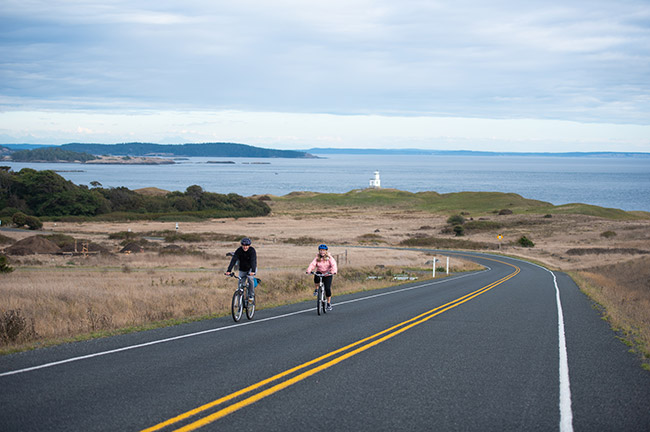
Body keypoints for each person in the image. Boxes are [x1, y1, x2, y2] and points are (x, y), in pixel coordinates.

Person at [306, 244, 338, 311]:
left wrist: (333, 271)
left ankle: (328, 303)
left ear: (326, 251)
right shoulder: (317, 258)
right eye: (321, 250)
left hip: (328, 274)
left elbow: (333, 264)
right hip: (320, 272)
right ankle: (317, 289)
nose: (322, 252)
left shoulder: (329, 258)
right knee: (316, 275)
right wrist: (309, 270)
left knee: (327, 289)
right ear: (319, 251)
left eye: (323, 250)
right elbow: (312, 264)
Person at [226, 237, 257, 303]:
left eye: (246, 245)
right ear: (241, 245)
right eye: (243, 245)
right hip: (242, 269)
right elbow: (233, 260)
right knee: (240, 283)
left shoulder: (252, 251)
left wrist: (253, 271)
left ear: (249, 245)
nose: (245, 247)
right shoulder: (239, 250)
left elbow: (253, 261)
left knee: (250, 279)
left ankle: (251, 296)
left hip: (251, 268)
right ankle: (240, 299)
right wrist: (229, 270)